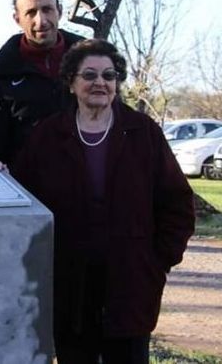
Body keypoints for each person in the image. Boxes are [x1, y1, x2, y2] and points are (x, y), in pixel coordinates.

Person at [15, 39, 195, 363]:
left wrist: (158, 261)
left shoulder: (143, 132)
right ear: (71, 82)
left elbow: (177, 203)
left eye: (109, 76)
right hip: (69, 283)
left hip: (131, 280)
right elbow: (25, 205)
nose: (100, 82)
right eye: (89, 75)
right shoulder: (47, 136)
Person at [0, 0, 83, 173]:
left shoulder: (90, 60)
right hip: (28, 185)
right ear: (17, 19)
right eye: (31, 13)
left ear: (59, 11)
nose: (41, 21)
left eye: (47, 9)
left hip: (86, 180)